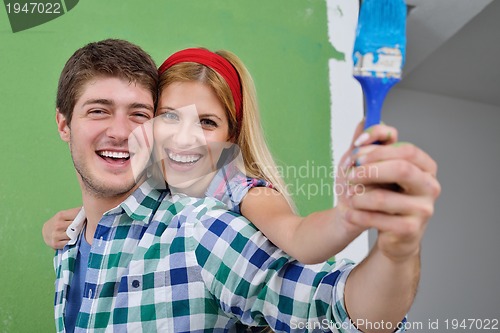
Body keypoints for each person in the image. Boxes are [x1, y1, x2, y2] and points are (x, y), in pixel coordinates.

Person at [51, 38, 440, 332]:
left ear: (230, 140)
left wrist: (390, 245)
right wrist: (75, 226)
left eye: (138, 114)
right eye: (98, 111)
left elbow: (332, 303)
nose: (120, 132)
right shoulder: (74, 241)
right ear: (64, 124)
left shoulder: (207, 219)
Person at [44, 47, 401, 265]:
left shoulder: (241, 191)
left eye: (207, 122)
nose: (185, 138)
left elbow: (300, 238)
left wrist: (349, 216)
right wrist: (64, 226)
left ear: (230, 135)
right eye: (169, 116)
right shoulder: (151, 185)